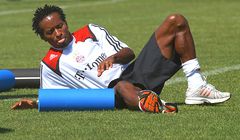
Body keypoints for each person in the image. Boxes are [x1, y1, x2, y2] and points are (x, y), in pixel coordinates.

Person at [11, 4, 230, 113]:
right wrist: (34, 103)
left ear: (66, 22)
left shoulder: (90, 31)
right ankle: (158, 106)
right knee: (123, 86)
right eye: (50, 32)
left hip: (133, 72)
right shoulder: (49, 64)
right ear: (43, 37)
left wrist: (113, 58)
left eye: (60, 26)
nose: (58, 33)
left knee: (176, 20)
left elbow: (129, 53)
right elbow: (54, 95)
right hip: (112, 94)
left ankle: (196, 85)